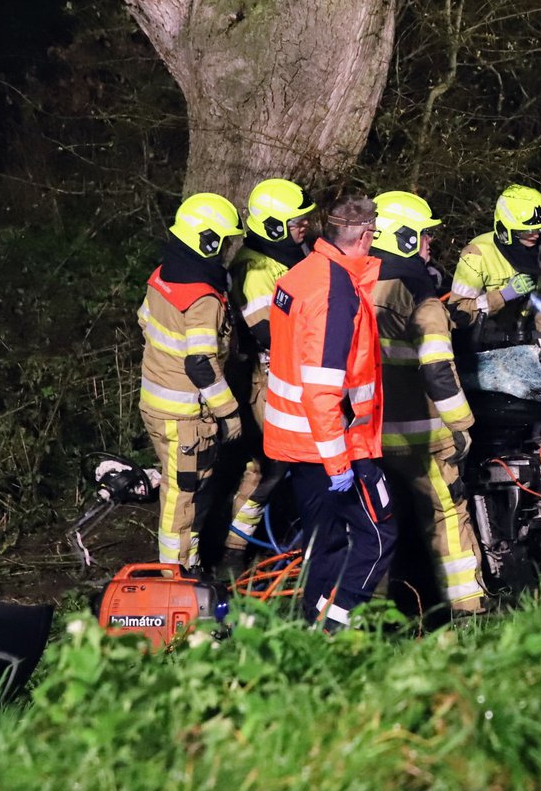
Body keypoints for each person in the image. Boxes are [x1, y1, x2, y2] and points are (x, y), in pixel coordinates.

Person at [263, 195, 396, 630]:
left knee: (325, 543)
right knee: (379, 537)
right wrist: (339, 461)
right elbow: (322, 389)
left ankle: (312, 631)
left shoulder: (301, 275)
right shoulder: (336, 293)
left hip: (299, 443)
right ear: (365, 236)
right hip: (336, 446)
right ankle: (336, 628)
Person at [369, 191, 487, 616]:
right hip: (424, 439)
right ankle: (468, 609)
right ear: (402, 237)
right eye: (423, 236)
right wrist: (462, 426)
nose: (429, 244)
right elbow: (438, 372)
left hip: (370, 435)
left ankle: (376, 618)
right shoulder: (421, 295)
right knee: (447, 517)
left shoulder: (357, 284)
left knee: (379, 527)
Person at [137, 192, 243, 569]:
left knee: (180, 490)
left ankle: (183, 564)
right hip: (183, 417)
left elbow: (144, 321)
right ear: (208, 240)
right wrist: (229, 413)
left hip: (156, 405)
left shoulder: (163, 275)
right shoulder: (202, 297)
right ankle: (176, 576)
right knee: (182, 499)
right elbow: (200, 364)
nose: (227, 250)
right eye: (225, 241)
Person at [221, 178, 314, 568]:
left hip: (296, 376)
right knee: (271, 468)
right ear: (273, 226)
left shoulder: (290, 256)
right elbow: (267, 332)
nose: (304, 227)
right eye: (296, 223)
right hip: (269, 381)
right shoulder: (256, 268)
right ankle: (233, 551)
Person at [448, 184, 541, 360]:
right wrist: (504, 295)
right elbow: (459, 314)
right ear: (506, 230)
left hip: (521, 348)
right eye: (527, 231)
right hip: (477, 353)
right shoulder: (478, 253)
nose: (535, 235)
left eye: (540, 229)